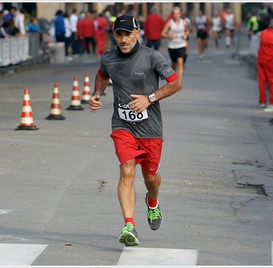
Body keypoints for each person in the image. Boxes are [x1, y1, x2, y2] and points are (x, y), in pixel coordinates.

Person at [88, 15, 182, 247]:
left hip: (151, 129)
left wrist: (150, 98)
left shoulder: (152, 57)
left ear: (137, 33)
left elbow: (175, 82)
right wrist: (97, 94)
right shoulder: (109, 58)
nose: (123, 39)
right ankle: (129, 224)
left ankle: (152, 201)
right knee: (127, 171)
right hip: (123, 126)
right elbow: (102, 75)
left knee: (150, 178)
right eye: (119, 34)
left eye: (128, 33)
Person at [256, 17, 273, 109]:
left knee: (262, 81)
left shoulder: (263, 33)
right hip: (270, 60)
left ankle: (262, 100)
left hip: (260, 59)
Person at [161, 6, 189, 81]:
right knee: (174, 64)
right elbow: (162, 34)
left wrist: (186, 34)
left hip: (181, 45)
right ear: (172, 15)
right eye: (175, 14)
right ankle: (173, 75)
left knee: (180, 62)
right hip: (172, 46)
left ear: (180, 14)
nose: (176, 15)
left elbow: (187, 30)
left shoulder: (184, 23)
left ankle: (179, 81)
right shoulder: (169, 24)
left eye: (178, 13)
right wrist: (170, 35)